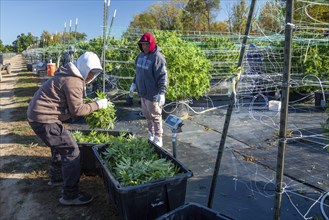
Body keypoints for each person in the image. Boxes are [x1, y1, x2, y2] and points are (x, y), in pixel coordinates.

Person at [27, 51, 108, 206]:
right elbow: (77, 110)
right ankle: (70, 194)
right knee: (71, 151)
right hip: (43, 118)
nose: (91, 77)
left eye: (95, 73)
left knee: (59, 145)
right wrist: (98, 104)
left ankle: (57, 176)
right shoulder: (74, 81)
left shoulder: (69, 74)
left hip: (38, 114)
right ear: (85, 68)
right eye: (91, 72)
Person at [129, 32, 168, 147]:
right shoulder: (140, 56)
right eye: (143, 44)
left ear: (151, 44)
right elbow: (138, 73)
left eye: (147, 44)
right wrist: (134, 83)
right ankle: (151, 133)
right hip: (143, 93)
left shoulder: (157, 58)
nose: (145, 47)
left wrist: (162, 93)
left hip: (153, 94)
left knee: (155, 116)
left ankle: (158, 136)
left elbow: (163, 76)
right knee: (147, 116)